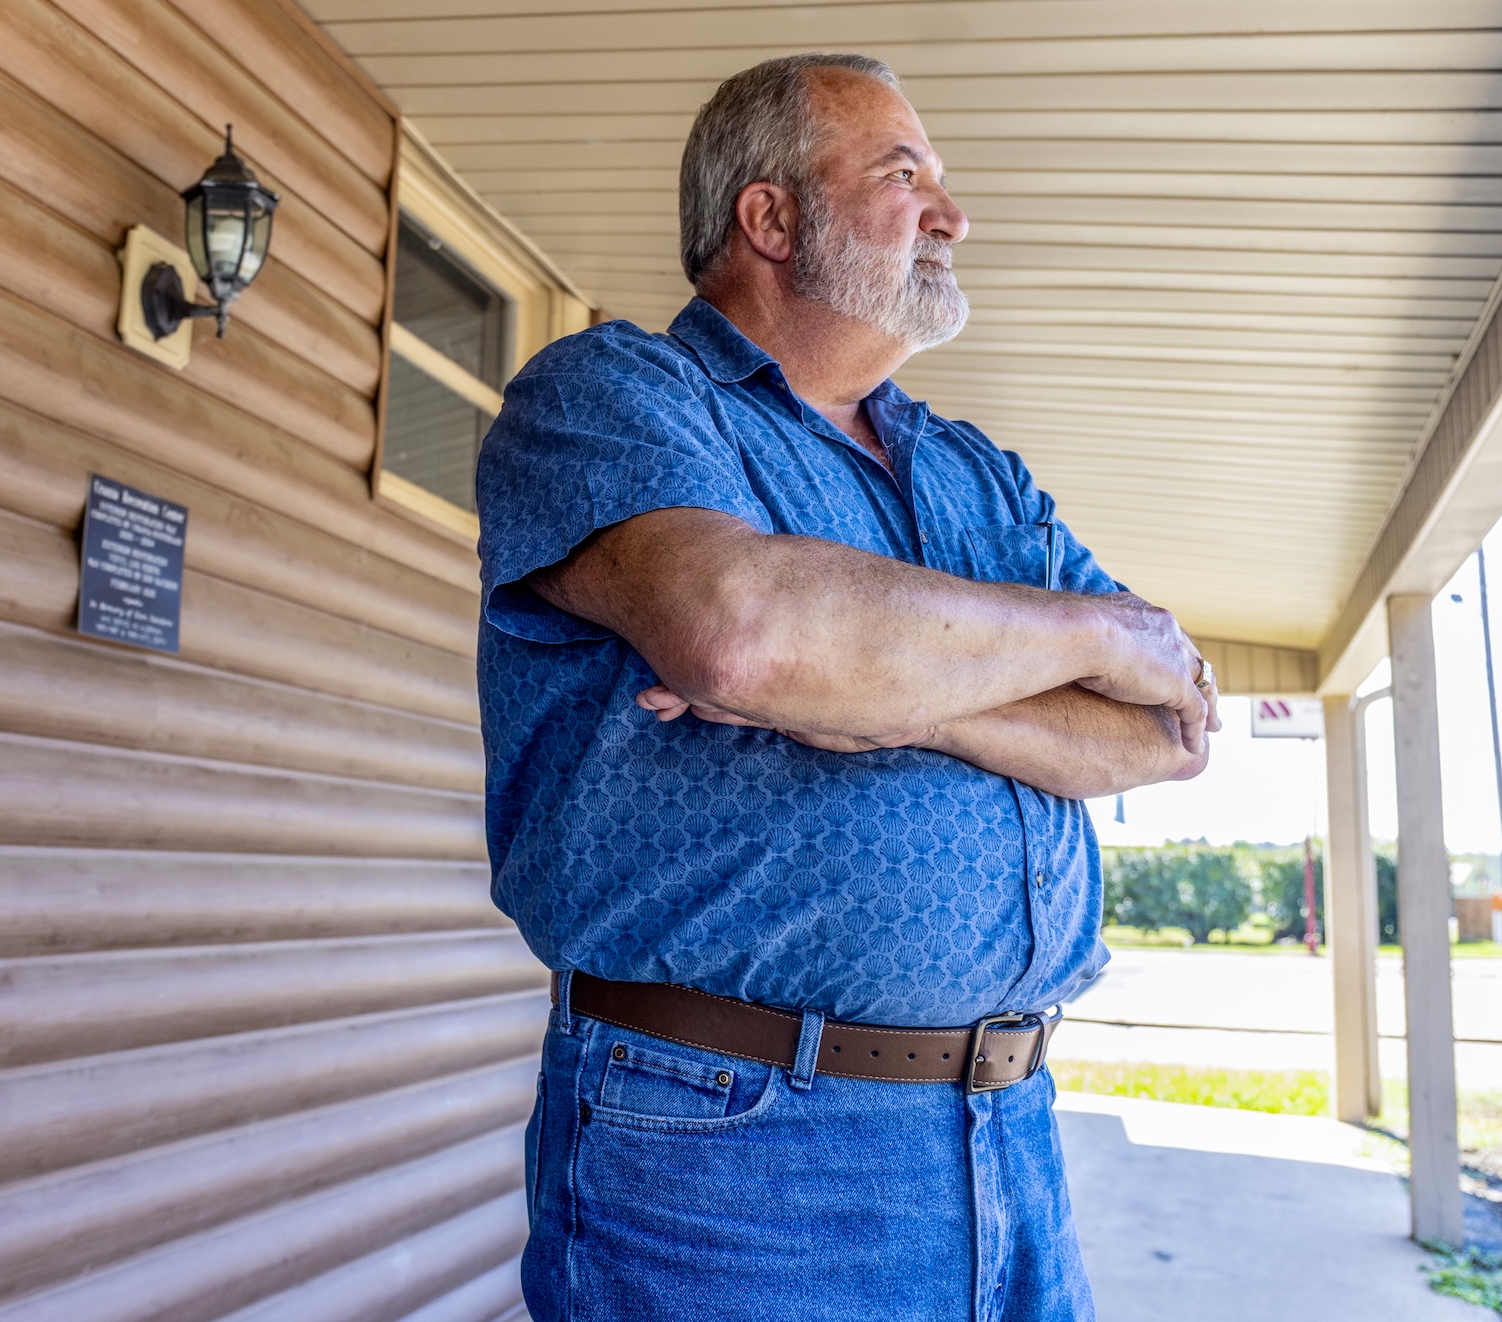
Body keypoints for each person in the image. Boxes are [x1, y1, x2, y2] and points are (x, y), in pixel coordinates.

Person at [475, 52, 1219, 1322]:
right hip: (734, 1145)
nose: (951, 211)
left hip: (1011, 1128)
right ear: (767, 217)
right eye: (901, 172)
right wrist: (1060, 639)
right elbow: (742, 631)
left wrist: (874, 689)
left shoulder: (977, 474)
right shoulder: (614, 394)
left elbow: (1161, 727)